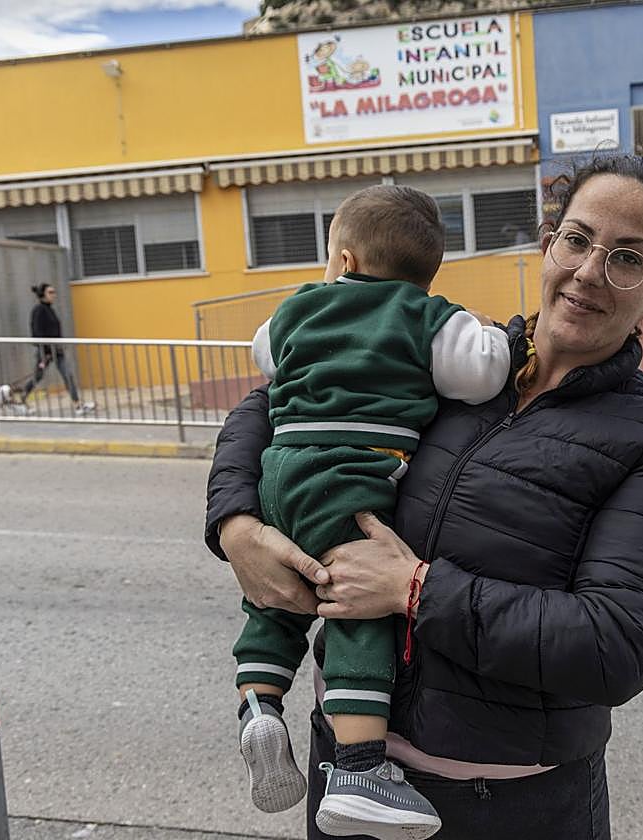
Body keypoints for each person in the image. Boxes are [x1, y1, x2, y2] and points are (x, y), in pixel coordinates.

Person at [205, 154, 643, 840]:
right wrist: (236, 524)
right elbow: (269, 404)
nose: (590, 270)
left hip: (506, 810)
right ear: (548, 243)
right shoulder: (466, 362)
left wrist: (414, 591)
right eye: (578, 239)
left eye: (628, 258)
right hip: (344, 785)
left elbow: (614, 645)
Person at [232, 184, 511, 839]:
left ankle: (259, 705)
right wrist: (499, 336)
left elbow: (264, 353)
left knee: (273, 597)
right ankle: (360, 768)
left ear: (346, 259)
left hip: (278, 473)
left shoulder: (299, 308)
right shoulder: (424, 315)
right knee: (353, 601)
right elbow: (484, 372)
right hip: (350, 480)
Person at [19, 283, 94, 415]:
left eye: (54, 292)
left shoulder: (49, 309)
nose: (54, 295)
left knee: (68, 375)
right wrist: (46, 351)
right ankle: (22, 398)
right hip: (46, 351)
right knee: (37, 376)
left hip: (57, 351)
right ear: (43, 295)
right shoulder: (39, 310)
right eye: (50, 292)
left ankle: (77, 404)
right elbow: (37, 332)